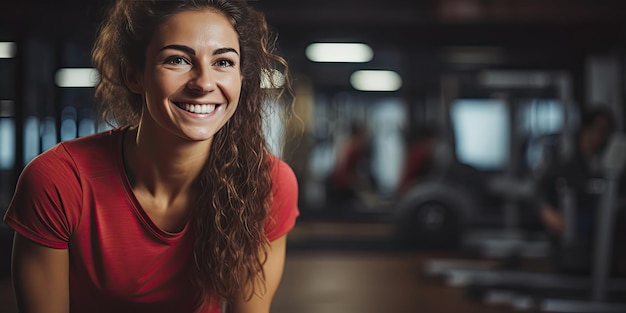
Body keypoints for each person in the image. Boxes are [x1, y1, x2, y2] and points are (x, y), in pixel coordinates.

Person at [3, 0, 299, 312]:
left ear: (241, 78)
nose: (204, 83)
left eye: (223, 62)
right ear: (135, 76)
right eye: (177, 60)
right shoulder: (59, 182)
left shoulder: (267, 183)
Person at [536, 107, 618, 274]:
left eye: (604, 132)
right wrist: (546, 212)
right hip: (572, 247)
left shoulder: (608, 168)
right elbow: (538, 192)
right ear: (584, 130)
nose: (598, 137)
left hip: (605, 247)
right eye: (595, 130)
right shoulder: (565, 166)